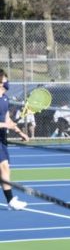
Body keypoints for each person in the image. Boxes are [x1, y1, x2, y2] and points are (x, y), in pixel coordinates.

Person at [0, 70, 29, 210]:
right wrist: (6, 125)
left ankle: (10, 200)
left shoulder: (4, 98)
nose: (7, 82)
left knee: (5, 169)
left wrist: (20, 132)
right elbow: (5, 123)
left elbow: (6, 118)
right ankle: (11, 201)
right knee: (4, 167)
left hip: (1, 138)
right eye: (5, 79)